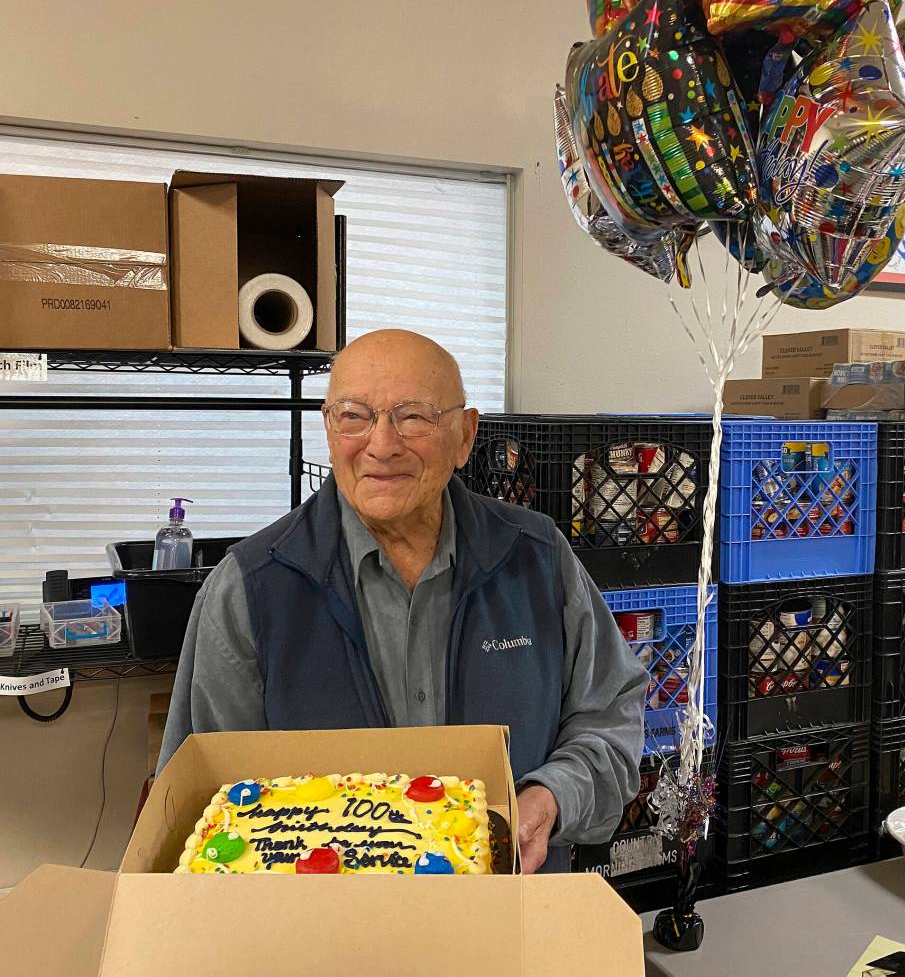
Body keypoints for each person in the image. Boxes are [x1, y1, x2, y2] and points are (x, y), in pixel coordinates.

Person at [158, 329, 647, 873]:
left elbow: (610, 719)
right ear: (328, 428)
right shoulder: (248, 589)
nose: (383, 444)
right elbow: (208, 800)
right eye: (354, 416)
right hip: (321, 942)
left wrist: (551, 797)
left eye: (413, 416)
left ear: (465, 435)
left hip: (510, 920)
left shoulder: (537, 558)